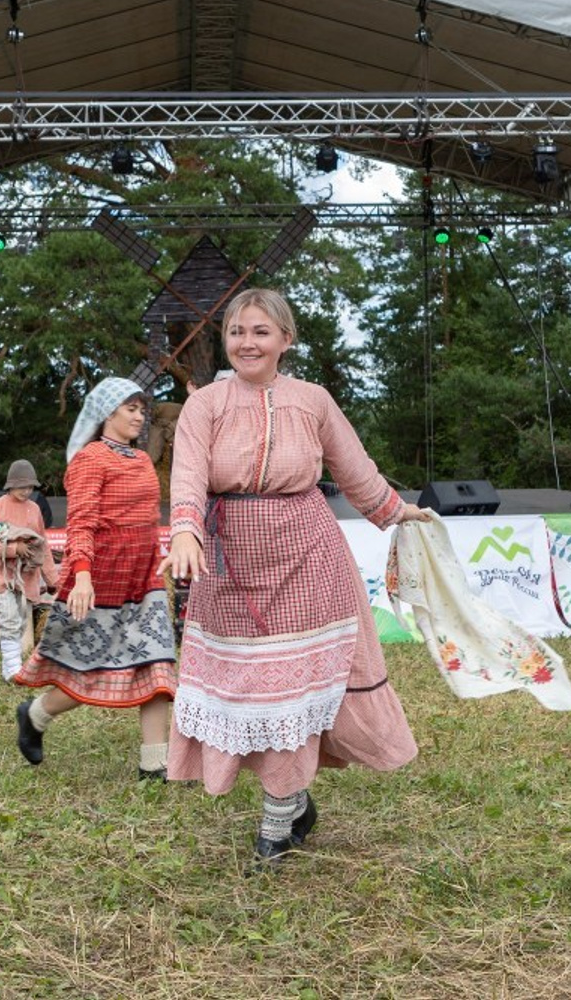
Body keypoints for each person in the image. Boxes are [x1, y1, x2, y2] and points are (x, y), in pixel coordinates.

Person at [161, 288, 429, 866]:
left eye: (260, 331)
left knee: (298, 691)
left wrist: (394, 510)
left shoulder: (313, 400)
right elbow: (186, 477)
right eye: (236, 331)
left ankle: (278, 819)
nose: (247, 342)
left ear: (287, 339)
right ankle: (293, 795)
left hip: (308, 556)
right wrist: (185, 530)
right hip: (230, 564)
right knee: (249, 691)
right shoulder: (204, 405)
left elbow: (356, 470)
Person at [13, 378, 178, 779]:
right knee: (89, 671)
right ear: (108, 413)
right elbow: (82, 523)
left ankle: (154, 766)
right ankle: (34, 716)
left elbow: (147, 521)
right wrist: (82, 577)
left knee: (156, 666)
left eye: (142, 409)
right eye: (131, 409)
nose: (140, 416)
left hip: (144, 579)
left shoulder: (140, 461)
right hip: (100, 581)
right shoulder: (90, 459)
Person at [0, 459, 57, 681]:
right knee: (9, 617)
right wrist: (13, 548)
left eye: (30, 486)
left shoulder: (34, 510)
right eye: (22, 486)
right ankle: (12, 670)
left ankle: (13, 666)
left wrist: (52, 578)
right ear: (10, 485)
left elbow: (44, 546)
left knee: (21, 620)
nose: (26, 491)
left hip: (26, 575)